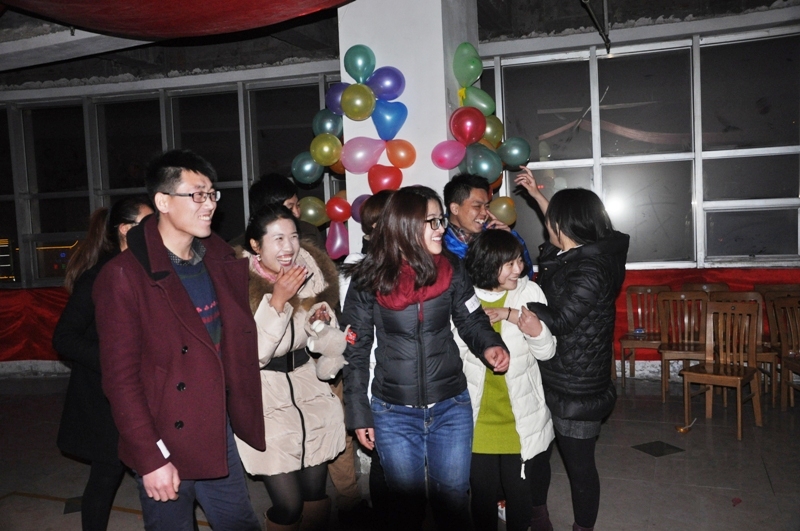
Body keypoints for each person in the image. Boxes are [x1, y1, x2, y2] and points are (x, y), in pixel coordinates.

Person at [93, 150, 265, 531]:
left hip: (215, 428)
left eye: (212, 194)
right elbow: (120, 381)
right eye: (197, 194)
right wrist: (150, 458)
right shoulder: (124, 276)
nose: (210, 204)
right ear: (163, 202)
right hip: (163, 437)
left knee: (240, 522)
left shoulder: (219, 259)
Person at [341, 185, 510, 531]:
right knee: (406, 508)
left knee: (453, 503)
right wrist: (359, 413)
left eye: (440, 219)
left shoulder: (452, 269)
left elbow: (471, 318)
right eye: (431, 221)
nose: (441, 228)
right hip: (393, 412)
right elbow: (355, 350)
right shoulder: (368, 279)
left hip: (451, 405)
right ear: (404, 226)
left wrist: (489, 344)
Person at [515, 167, 630, 531]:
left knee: (580, 469)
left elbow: (562, 320)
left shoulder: (591, 268)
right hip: (553, 373)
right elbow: (557, 247)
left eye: (553, 220)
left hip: (577, 386)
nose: (548, 226)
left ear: (566, 225)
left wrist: (517, 304)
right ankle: (538, 517)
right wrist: (537, 196)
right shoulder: (578, 253)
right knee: (537, 455)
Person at [234, 204, 346, 531]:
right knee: (289, 504)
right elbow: (254, 354)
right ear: (255, 245)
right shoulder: (238, 282)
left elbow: (324, 337)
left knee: (315, 494)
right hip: (266, 397)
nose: (289, 247)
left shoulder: (310, 270)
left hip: (309, 389)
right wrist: (278, 300)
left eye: (293, 236)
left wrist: (322, 324)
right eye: (278, 238)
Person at [53, 196, 153, 531]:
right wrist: (116, 362)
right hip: (105, 398)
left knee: (159, 470)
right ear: (125, 230)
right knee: (107, 474)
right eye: (148, 223)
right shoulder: (99, 276)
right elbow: (64, 338)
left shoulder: (149, 269)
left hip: (143, 391)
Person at [456, 229, 557, 531]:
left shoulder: (530, 292)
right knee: (482, 497)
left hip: (520, 418)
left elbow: (547, 352)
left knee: (520, 496)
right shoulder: (463, 296)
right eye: (510, 263)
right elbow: (453, 353)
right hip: (477, 418)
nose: (519, 269)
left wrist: (536, 332)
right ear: (487, 264)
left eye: (519, 261)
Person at [338, 190, 395, 526]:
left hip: (411, 377)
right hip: (375, 378)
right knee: (384, 462)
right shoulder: (355, 268)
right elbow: (353, 338)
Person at [443, 173, 533, 278]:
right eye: (477, 206)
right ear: (455, 208)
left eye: (486, 206)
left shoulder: (493, 234)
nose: (485, 213)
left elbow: (525, 275)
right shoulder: (439, 244)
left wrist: (511, 241)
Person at [233, 172, 325, 249]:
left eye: (298, 206)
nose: (297, 214)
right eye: (290, 208)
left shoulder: (310, 232)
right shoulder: (237, 250)